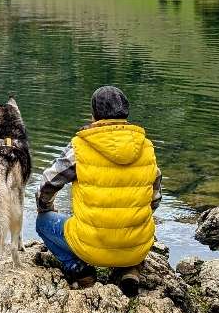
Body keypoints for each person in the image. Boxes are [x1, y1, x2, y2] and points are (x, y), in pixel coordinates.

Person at [35, 85, 161, 293]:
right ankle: (129, 270)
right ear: (125, 114)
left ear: (94, 115)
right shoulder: (146, 147)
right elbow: (155, 198)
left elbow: (47, 184)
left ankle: (81, 271)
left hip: (89, 247)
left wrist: (45, 208)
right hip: (135, 247)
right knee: (138, 225)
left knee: (43, 223)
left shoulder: (80, 146)